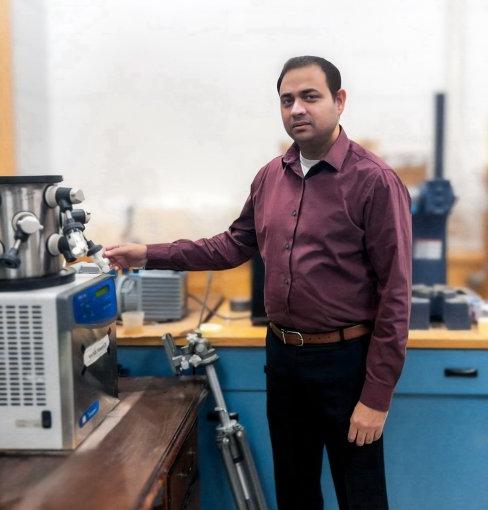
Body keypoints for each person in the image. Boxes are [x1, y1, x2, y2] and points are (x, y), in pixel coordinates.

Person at [104, 56, 412, 510]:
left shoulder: (375, 182)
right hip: (284, 358)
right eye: (287, 100)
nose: (297, 110)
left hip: (346, 363)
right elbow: (230, 246)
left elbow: (396, 295)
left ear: (339, 101)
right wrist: (149, 254)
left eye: (310, 96)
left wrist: (376, 397)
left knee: (360, 495)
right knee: (295, 490)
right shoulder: (270, 176)